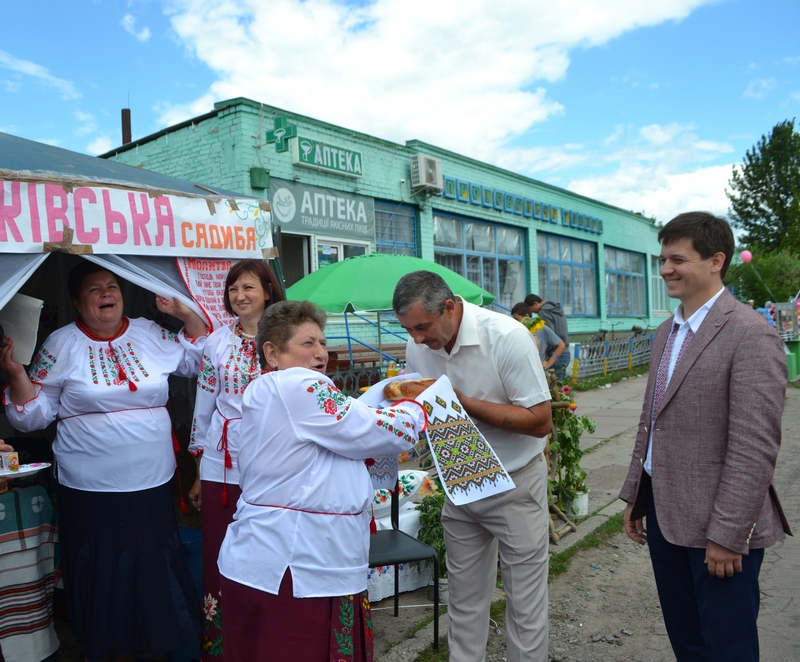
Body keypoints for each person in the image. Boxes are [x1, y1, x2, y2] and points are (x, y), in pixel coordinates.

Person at [1, 261, 208, 662]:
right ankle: (109, 647)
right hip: (89, 485)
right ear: (78, 302)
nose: (106, 293)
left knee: (152, 562)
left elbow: (197, 360)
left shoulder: (149, 332)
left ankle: (155, 645)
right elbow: (34, 414)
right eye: (94, 289)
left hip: (152, 479)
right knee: (105, 565)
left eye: (111, 285)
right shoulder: (60, 344)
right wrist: (14, 373)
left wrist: (184, 313)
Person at [619, 212, 790, 661]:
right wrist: (638, 498)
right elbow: (653, 421)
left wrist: (729, 534)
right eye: (662, 259)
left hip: (719, 528)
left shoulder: (752, 334)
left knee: (727, 649)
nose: (665, 269)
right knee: (688, 644)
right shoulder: (665, 332)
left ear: (716, 261)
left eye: (678, 259)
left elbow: (753, 448)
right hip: (665, 515)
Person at [216, 300, 427, 661]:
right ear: (272, 353)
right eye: (307, 343)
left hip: (284, 558)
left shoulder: (269, 391)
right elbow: (379, 430)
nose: (320, 353)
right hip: (296, 564)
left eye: (323, 343)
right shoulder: (297, 385)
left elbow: (343, 437)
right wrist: (416, 405)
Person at [392, 271, 552, 662]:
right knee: (463, 604)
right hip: (460, 480)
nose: (416, 340)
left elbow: (540, 420)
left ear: (449, 307)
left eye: (422, 328)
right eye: (409, 330)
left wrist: (462, 403)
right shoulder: (419, 345)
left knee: (525, 607)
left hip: (515, 483)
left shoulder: (507, 337)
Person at [186, 259, 284, 661]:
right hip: (221, 463)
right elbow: (204, 408)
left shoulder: (289, 337)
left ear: (267, 290)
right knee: (219, 553)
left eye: (248, 288)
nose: (239, 296)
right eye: (232, 290)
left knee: (268, 553)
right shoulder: (216, 342)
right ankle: (224, 648)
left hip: (275, 458)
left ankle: (271, 640)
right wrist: (198, 469)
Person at [524, 294, 570, 381]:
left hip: (556, 352)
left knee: (553, 386)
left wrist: (547, 360)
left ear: (535, 304)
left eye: (532, 310)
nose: (534, 313)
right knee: (559, 386)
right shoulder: (556, 308)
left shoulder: (543, 311)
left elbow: (549, 334)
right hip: (565, 352)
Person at [511, 302, 566, 374]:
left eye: (517, 319)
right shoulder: (516, 331)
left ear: (526, 316)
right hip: (522, 370)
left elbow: (561, 345)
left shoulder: (541, 328)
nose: (515, 322)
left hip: (538, 371)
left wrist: (549, 363)